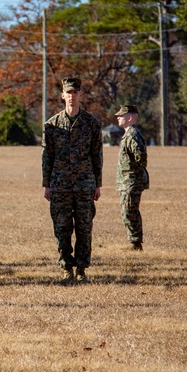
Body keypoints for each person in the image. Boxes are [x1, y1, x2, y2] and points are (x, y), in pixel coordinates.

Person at [42, 77, 103, 284]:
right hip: (59, 185)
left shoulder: (92, 124)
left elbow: (97, 155)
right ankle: (66, 267)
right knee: (62, 228)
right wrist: (47, 185)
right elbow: (46, 157)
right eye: (68, 92)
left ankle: (82, 268)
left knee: (84, 228)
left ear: (80, 95)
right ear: (62, 96)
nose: (72, 96)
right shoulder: (51, 125)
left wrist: (98, 184)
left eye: (75, 92)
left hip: (85, 184)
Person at [115, 104, 148, 251]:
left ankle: (135, 243)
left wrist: (134, 173)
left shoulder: (132, 135)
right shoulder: (128, 134)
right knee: (127, 209)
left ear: (129, 117)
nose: (118, 118)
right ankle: (134, 241)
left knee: (129, 210)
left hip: (132, 181)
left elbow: (141, 157)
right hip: (127, 181)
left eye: (121, 116)